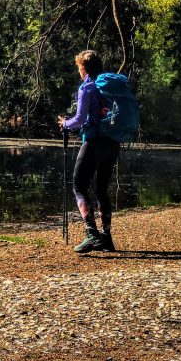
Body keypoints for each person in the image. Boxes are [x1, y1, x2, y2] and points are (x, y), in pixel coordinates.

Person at [58, 49, 118, 253]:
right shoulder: (108, 87)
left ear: (83, 67)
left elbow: (80, 119)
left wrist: (65, 124)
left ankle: (91, 234)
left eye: (79, 67)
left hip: (93, 142)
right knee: (101, 188)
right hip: (111, 143)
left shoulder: (88, 88)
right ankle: (106, 238)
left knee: (78, 186)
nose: (78, 71)